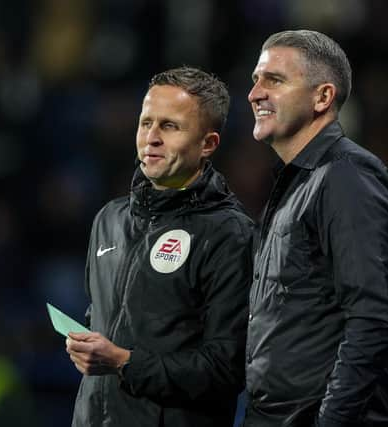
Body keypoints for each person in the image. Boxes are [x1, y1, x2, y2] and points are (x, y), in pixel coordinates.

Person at [67, 66, 254, 427]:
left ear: (208, 144)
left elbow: (226, 368)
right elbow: (104, 317)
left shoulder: (231, 235)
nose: (151, 137)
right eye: (146, 122)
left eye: (170, 126)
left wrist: (124, 362)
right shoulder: (110, 219)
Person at [244, 30, 388, 427]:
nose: (254, 94)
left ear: (322, 97)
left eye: (275, 80)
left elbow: (372, 316)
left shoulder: (346, 176)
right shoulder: (298, 184)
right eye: (255, 80)